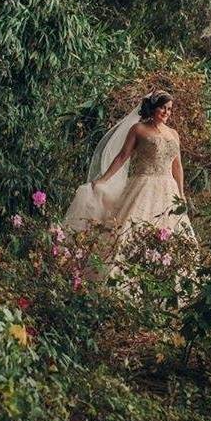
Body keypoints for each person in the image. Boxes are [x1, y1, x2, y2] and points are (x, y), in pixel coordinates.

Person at [62, 89, 197, 280]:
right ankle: (117, 277)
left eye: (169, 109)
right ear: (153, 108)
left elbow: (178, 166)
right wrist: (103, 179)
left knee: (171, 235)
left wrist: (181, 194)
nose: (167, 112)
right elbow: (122, 156)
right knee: (129, 231)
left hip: (169, 189)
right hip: (143, 185)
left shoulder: (174, 134)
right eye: (163, 108)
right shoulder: (139, 129)